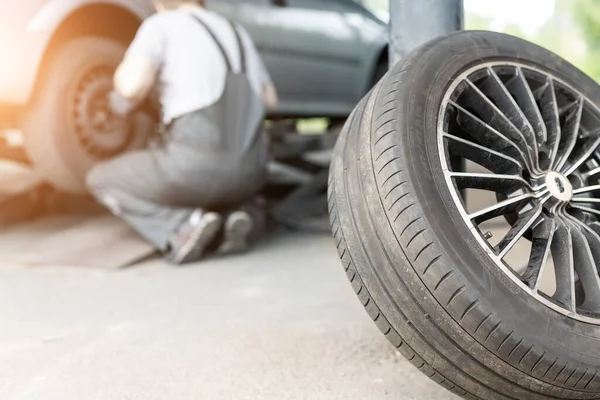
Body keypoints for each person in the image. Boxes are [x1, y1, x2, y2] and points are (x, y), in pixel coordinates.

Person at [86, 0, 278, 264]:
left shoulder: (161, 26)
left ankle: (183, 226)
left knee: (101, 178)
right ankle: (241, 213)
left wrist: (117, 89)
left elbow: (133, 87)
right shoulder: (236, 31)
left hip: (195, 171)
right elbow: (270, 99)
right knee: (231, 186)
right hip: (251, 171)